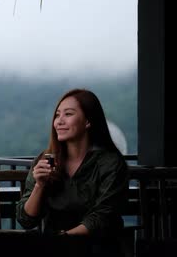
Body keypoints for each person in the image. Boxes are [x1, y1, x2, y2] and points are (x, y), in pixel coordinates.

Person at [16, 88, 129, 256]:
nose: (59, 121)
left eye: (68, 114)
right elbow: (25, 220)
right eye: (57, 115)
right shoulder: (48, 159)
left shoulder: (110, 162)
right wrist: (39, 185)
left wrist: (64, 239)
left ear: (88, 121)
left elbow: (102, 217)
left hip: (97, 247)